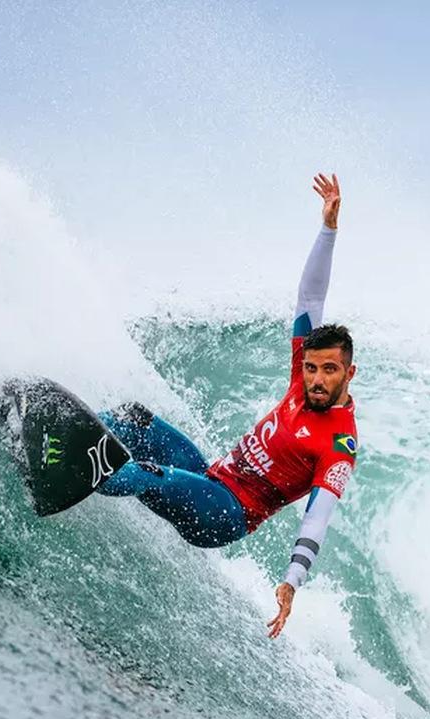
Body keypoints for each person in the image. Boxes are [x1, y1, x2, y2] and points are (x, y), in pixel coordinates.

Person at [96, 173, 357, 639]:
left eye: (328, 371)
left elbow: (318, 517)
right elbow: (310, 297)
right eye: (312, 368)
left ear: (349, 374)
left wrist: (292, 581)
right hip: (212, 477)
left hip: (226, 515)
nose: (315, 379)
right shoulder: (302, 378)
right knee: (134, 420)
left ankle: (71, 466)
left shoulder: (339, 444)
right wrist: (328, 230)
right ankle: (69, 430)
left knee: (141, 472)